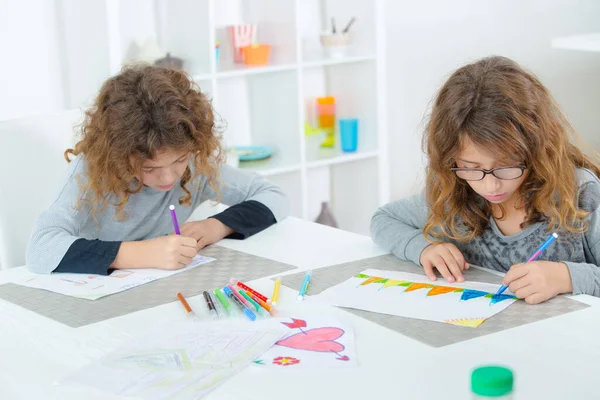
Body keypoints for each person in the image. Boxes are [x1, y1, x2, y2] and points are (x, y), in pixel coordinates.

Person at [371, 56, 600, 304]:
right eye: (472, 168)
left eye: (506, 167)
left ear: (536, 149)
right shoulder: (455, 191)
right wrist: (424, 248)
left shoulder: (580, 194)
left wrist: (567, 277)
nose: (490, 186)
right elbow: (384, 219)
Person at [26, 65, 288, 275]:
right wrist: (143, 254)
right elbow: (40, 249)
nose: (168, 177)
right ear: (118, 154)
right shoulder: (90, 173)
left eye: (179, 160)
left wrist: (216, 226)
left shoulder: (196, 166)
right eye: (149, 167)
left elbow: (273, 195)